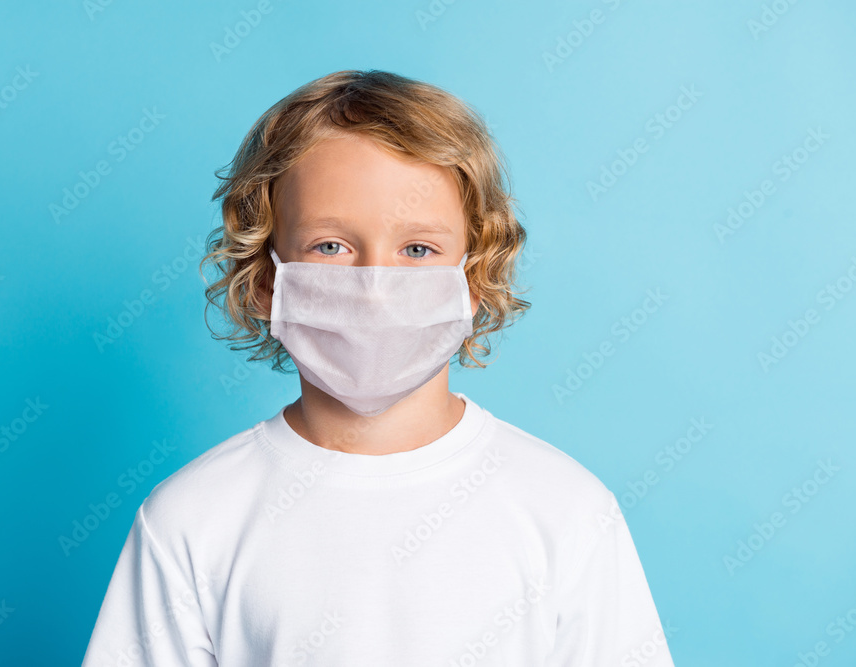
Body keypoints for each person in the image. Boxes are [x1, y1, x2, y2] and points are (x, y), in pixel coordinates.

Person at [81, 69, 675, 666]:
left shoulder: (566, 511)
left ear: (472, 279)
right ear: (265, 279)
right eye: (330, 246)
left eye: (417, 249)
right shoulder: (191, 520)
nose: (375, 287)